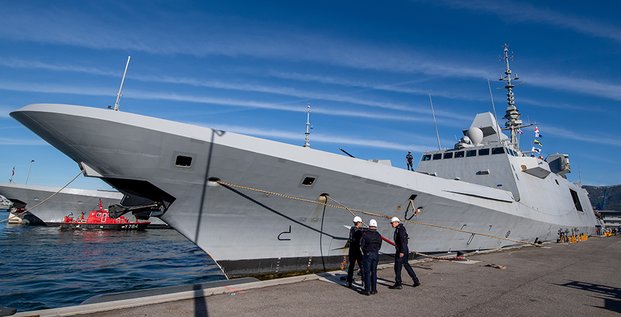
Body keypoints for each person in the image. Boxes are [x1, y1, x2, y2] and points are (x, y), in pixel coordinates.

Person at [389, 217, 420, 289]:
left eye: (392, 223)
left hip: (401, 250)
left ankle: (398, 283)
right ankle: (415, 280)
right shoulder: (400, 229)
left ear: (396, 222)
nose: (391, 224)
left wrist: (402, 251)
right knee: (406, 265)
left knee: (397, 267)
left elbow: (403, 241)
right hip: (403, 249)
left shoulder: (400, 229)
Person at [360, 219, 382, 295]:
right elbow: (379, 245)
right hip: (376, 254)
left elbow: (362, 244)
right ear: (376, 226)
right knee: (374, 272)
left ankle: (367, 290)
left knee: (367, 272)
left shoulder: (365, 234)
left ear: (369, 226)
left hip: (368, 254)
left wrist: (365, 251)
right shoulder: (378, 235)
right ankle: (374, 289)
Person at [346, 216, 364, 288]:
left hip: (351, 250)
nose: (361, 224)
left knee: (351, 266)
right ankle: (364, 281)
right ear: (358, 223)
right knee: (361, 265)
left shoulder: (352, 229)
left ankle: (349, 282)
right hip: (357, 250)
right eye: (360, 222)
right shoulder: (359, 231)